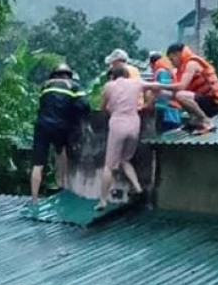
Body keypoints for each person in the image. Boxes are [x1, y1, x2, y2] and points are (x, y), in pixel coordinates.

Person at [95, 66, 168, 210]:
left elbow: (102, 108)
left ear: (112, 76)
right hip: (134, 125)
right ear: (127, 75)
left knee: (109, 166)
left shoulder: (109, 86)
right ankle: (138, 188)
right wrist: (149, 103)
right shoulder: (136, 83)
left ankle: (102, 200)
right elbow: (158, 86)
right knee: (124, 159)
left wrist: (110, 108)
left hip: (118, 124)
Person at [31, 63, 90, 205]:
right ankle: (61, 185)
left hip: (42, 126)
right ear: (69, 75)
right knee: (61, 152)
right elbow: (84, 106)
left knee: (38, 164)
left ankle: (34, 199)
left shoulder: (45, 86)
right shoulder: (73, 86)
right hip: (61, 126)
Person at [164, 43, 218, 136]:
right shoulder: (182, 68)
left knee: (180, 95)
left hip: (214, 102)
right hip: (205, 100)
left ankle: (206, 122)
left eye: (172, 59)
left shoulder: (191, 63)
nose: (172, 63)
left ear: (177, 54)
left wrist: (158, 85)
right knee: (169, 94)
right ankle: (195, 120)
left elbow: (181, 87)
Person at [146, 52, 183, 132]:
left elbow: (161, 90)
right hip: (172, 110)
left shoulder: (162, 71)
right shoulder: (167, 69)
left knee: (164, 137)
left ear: (152, 64)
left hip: (167, 111)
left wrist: (149, 104)